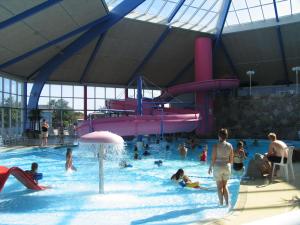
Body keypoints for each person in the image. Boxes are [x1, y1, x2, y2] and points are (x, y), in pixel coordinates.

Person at [208, 128, 233, 206]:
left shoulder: (216, 145)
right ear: (226, 136)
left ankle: (221, 204)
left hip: (218, 167)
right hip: (227, 166)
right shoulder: (230, 145)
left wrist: (210, 167)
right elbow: (231, 159)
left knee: (219, 187)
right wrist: (229, 166)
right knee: (225, 186)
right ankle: (227, 204)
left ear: (219, 136)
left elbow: (213, 158)